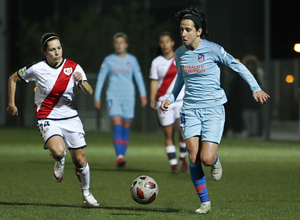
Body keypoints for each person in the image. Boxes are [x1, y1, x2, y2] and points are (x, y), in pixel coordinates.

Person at [160, 6, 270, 214]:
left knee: (206, 159)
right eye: (181, 30)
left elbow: (237, 65)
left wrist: (255, 88)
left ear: (198, 31)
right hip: (190, 109)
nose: (183, 34)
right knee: (193, 157)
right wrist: (170, 98)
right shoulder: (180, 53)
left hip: (213, 109)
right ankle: (205, 203)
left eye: (188, 30)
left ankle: (215, 160)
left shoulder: (213, 49)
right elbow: (181, 79)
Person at [7, 33, 99, 206]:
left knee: (80, 160)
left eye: (59, 48)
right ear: (44, 52)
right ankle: (59, 159)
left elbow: (89, 91)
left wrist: (82, 82)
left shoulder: (73, 67)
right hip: (47, 116)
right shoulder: (36, 68)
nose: (57, 52)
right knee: (58, 151)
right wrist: (12, 104)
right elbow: (12, 79)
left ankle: (86, 193)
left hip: (71, 117)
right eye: (52, 49)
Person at [94, 32, 147, 167]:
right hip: (113, 96)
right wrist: (97, 97)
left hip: (129, 97)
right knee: (117, 125)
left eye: (121, 43)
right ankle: (119, 156)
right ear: (114, 45)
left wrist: (143, 95)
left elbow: (139, 78)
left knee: (125, 127)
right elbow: (101, 78)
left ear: (126, 45)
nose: (119, 45)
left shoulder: (132, 60)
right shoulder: (108, 60)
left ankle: (122, 154)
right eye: (117, 43)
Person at [149, 32, 187, 174]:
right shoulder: (156, 62)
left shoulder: (180, 57)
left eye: (167, 41)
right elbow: (154, 81)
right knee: (168, 134)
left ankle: (183, 157)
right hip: (163, 101)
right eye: (162, 42)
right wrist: (153, 99)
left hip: (181, 100)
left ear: (172, 43)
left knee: (182, 131)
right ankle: (173, 165)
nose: (165, 44)